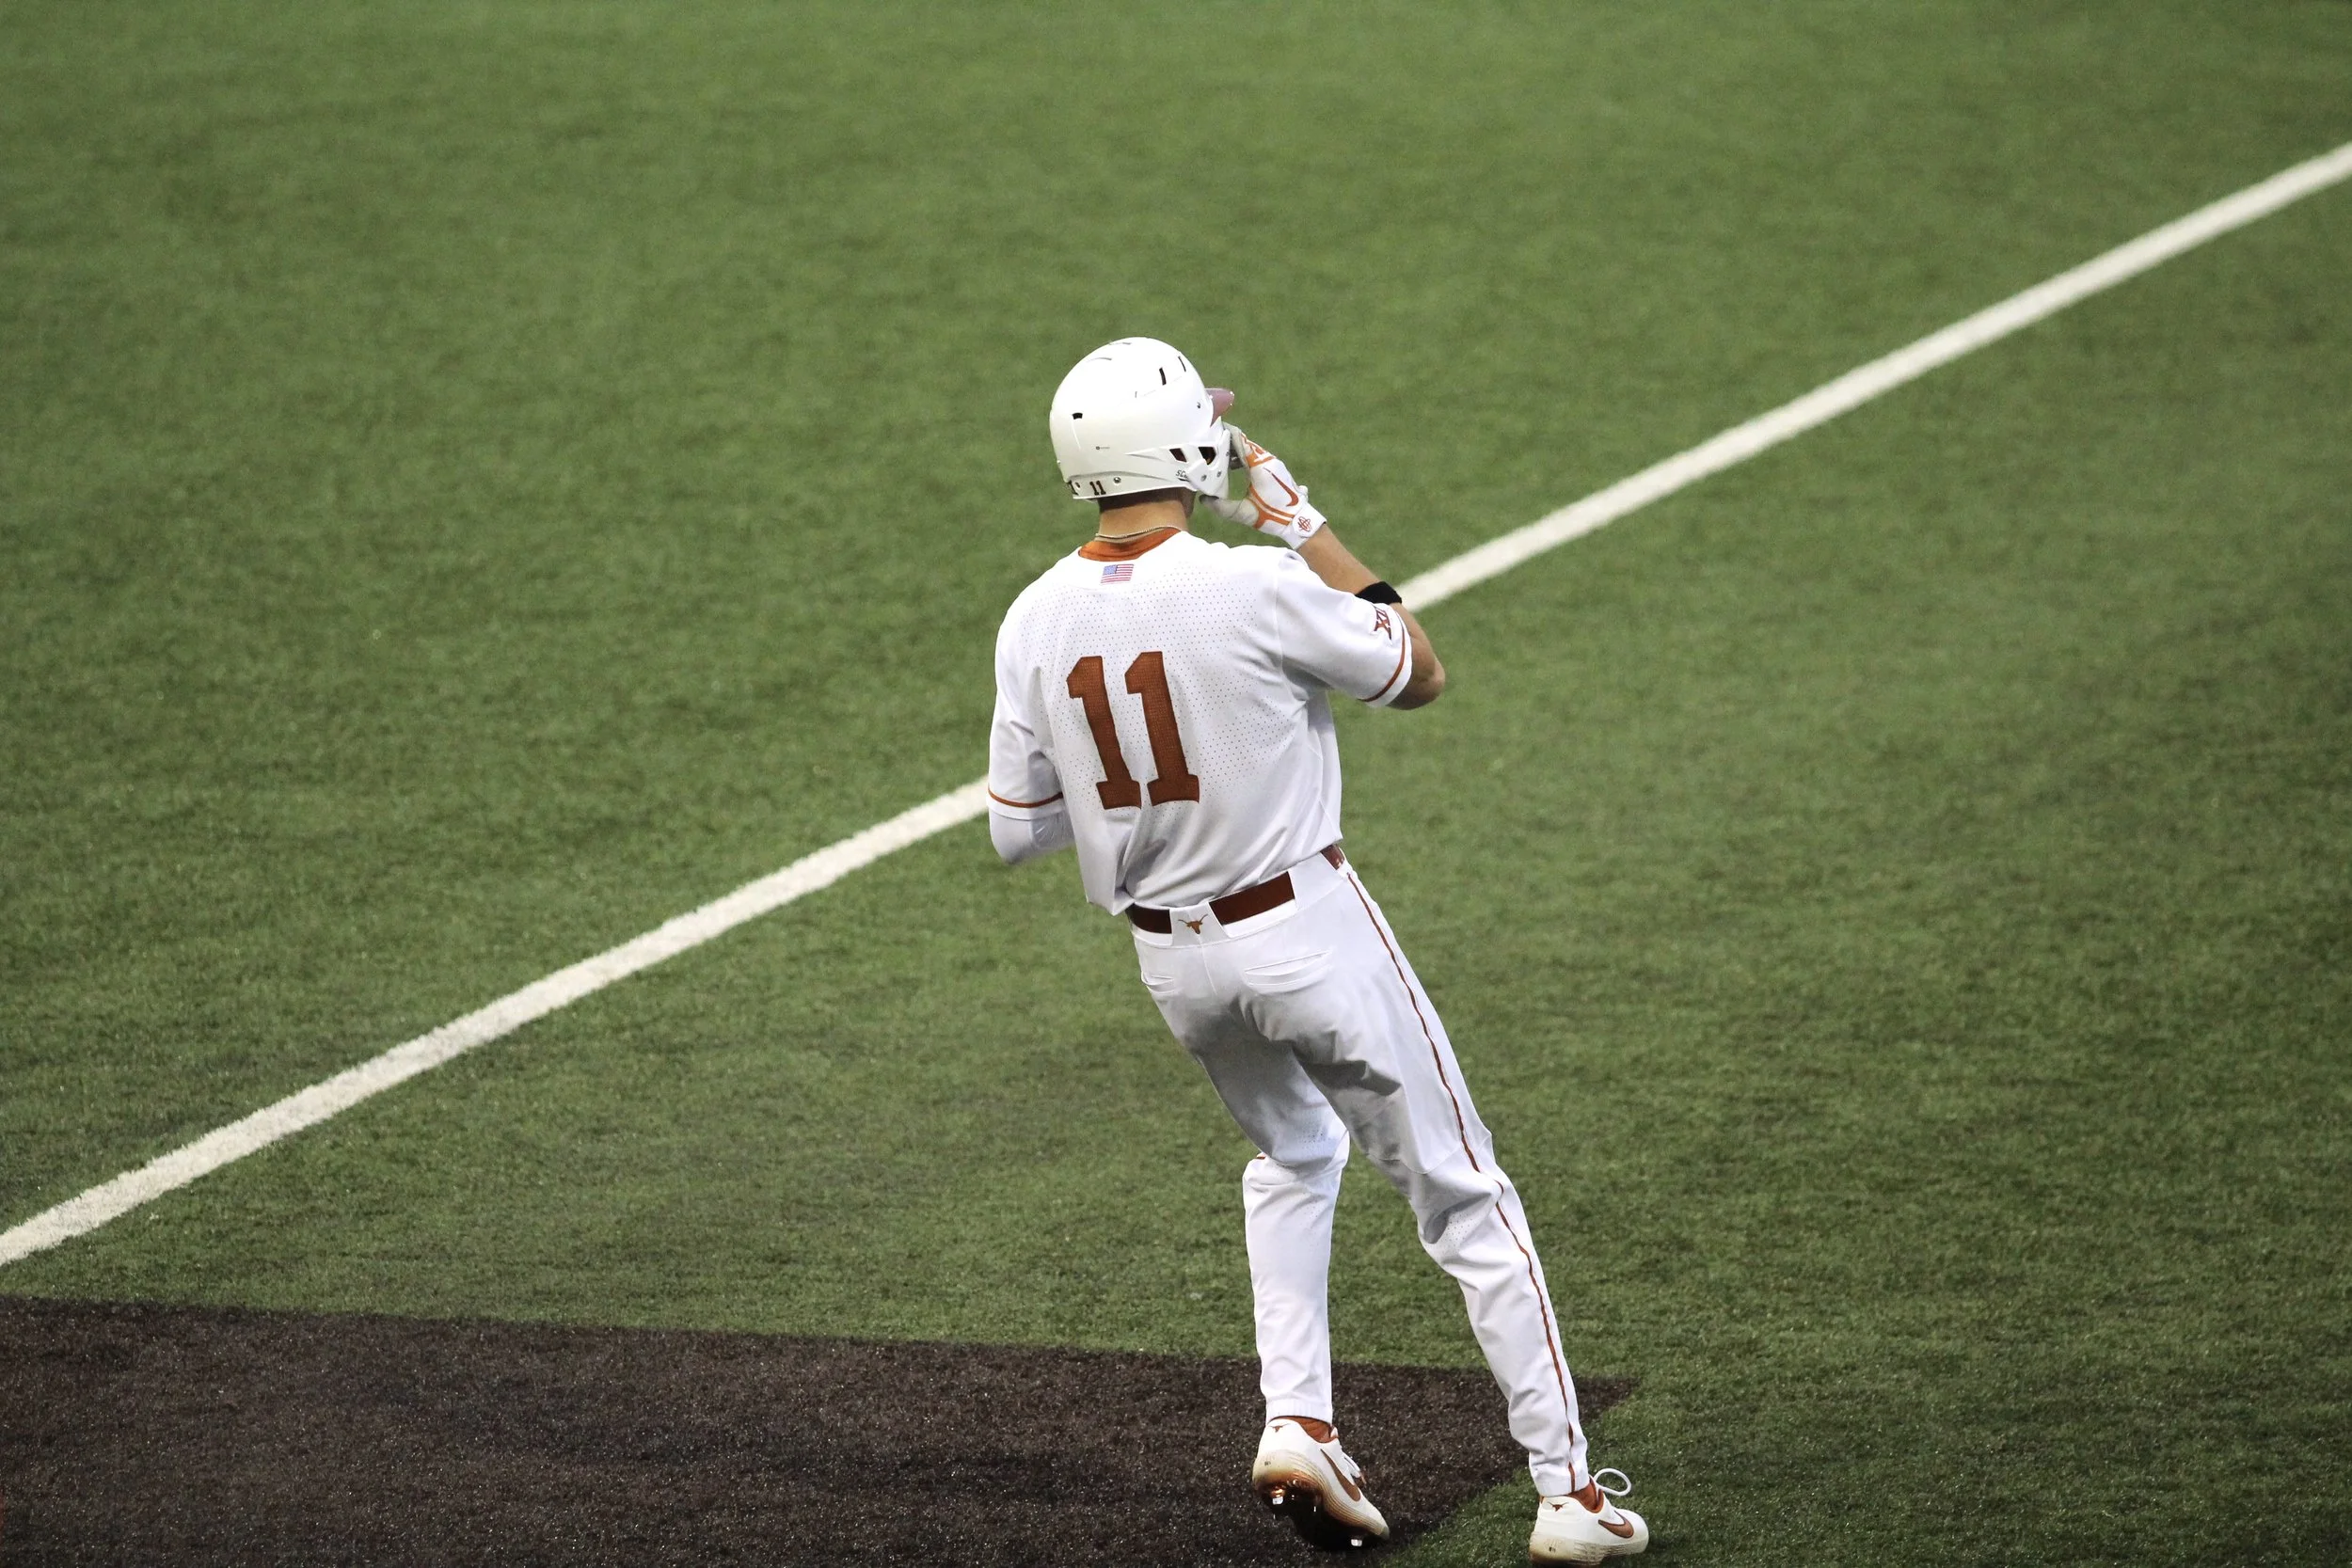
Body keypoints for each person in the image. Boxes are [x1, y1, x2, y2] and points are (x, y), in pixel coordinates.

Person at [987, 338, 1648, 1563]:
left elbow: (1017, 830)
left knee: (1294, 1151)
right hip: (1304, 932)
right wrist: (1303, 523)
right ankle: (1570, 1493)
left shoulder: (1032, 617)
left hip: (1175, 967)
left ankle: (1298, 1424)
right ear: (1187, 447)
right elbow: (1418, 671)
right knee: (1463, 1193)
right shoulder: (1250, 583)